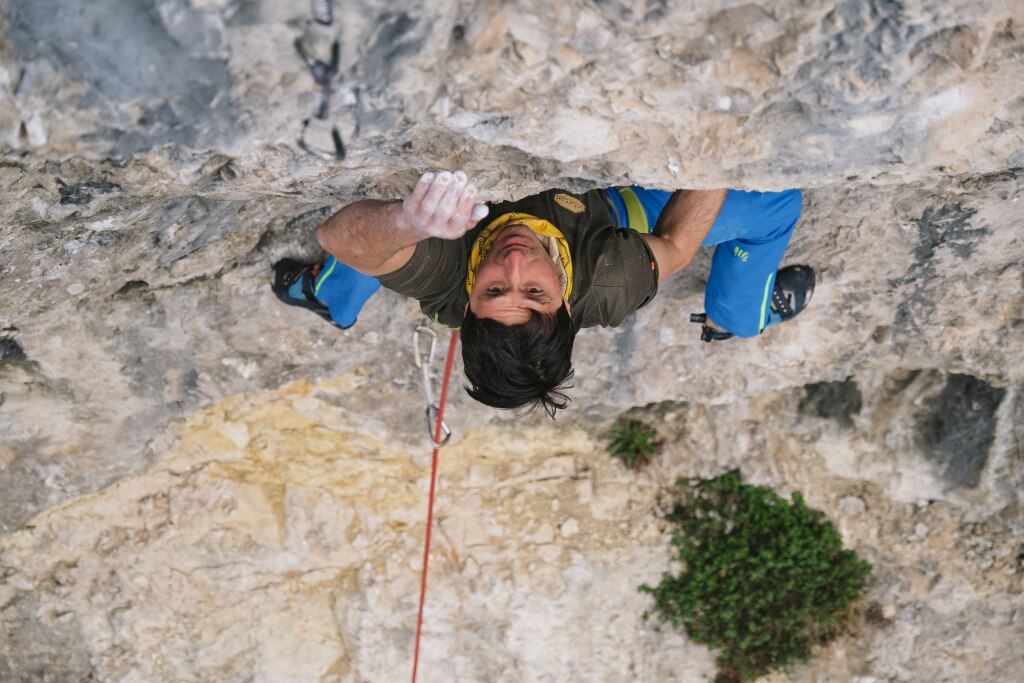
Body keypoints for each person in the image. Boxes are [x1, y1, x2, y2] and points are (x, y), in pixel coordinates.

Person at [273, 171, 813, 417]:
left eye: (495, 289)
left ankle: (333, 297)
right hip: (611, 210)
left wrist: (406, 221)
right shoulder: (612, 278)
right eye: (534, 290)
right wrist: (715, 161)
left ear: (469, 304)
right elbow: (675, 243)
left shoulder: (448, 277)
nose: (514, 260)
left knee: (400, 235)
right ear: (567, 305)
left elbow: (341, 238)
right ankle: (735, 317)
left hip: (454, 249)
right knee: (778, 204)